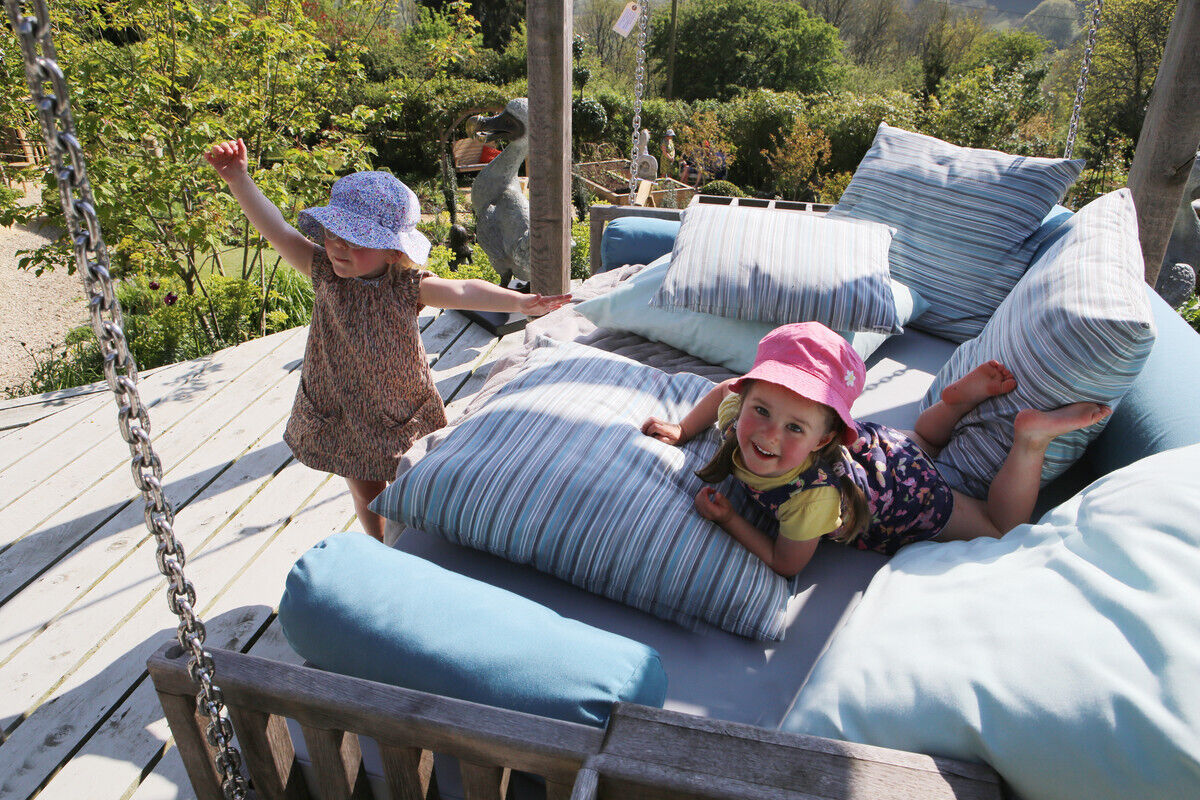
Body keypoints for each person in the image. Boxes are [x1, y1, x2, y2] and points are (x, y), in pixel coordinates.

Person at [206, 138, 570, 541]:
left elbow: (465, 290)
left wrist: (521, 302)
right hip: (339, 402)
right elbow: (274, 227)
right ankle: (382, 549)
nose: (337, 247)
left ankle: (425, 538)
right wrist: (238, 178)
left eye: (354, 240)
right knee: (366, 491)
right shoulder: (322, 269)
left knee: (413, 475)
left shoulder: (405, 286)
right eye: (333, 234)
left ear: (394, 252)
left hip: (397, 403)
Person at [640, 322, 1110, 578]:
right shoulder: (740, 412)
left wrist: (730, 520)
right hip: (885, 445)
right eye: (761, 410)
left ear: (824, 438)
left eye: (794, 427)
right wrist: (683, 430)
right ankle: (957, 402)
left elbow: (786, 563)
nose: (768, 435)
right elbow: (725, 390)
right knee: (922, 440)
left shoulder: (812, 500)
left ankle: (1028, 440)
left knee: (1001, 526)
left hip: (909, 498)